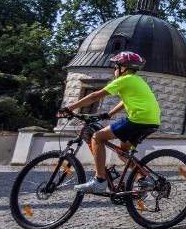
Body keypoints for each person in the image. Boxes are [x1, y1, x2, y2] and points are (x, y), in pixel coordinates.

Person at [58, 51, 161, 194]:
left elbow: (95, 95)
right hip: (152, 121)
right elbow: (126, 102)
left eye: (115, 66)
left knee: (97, 137)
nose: (114, 70)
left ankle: (99, 181)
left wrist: (70, 108)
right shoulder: (137, 81)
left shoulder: (124, 80)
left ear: (123, 67)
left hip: (138, 119)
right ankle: (144, 179)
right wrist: (109, 114)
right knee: (122, 151)